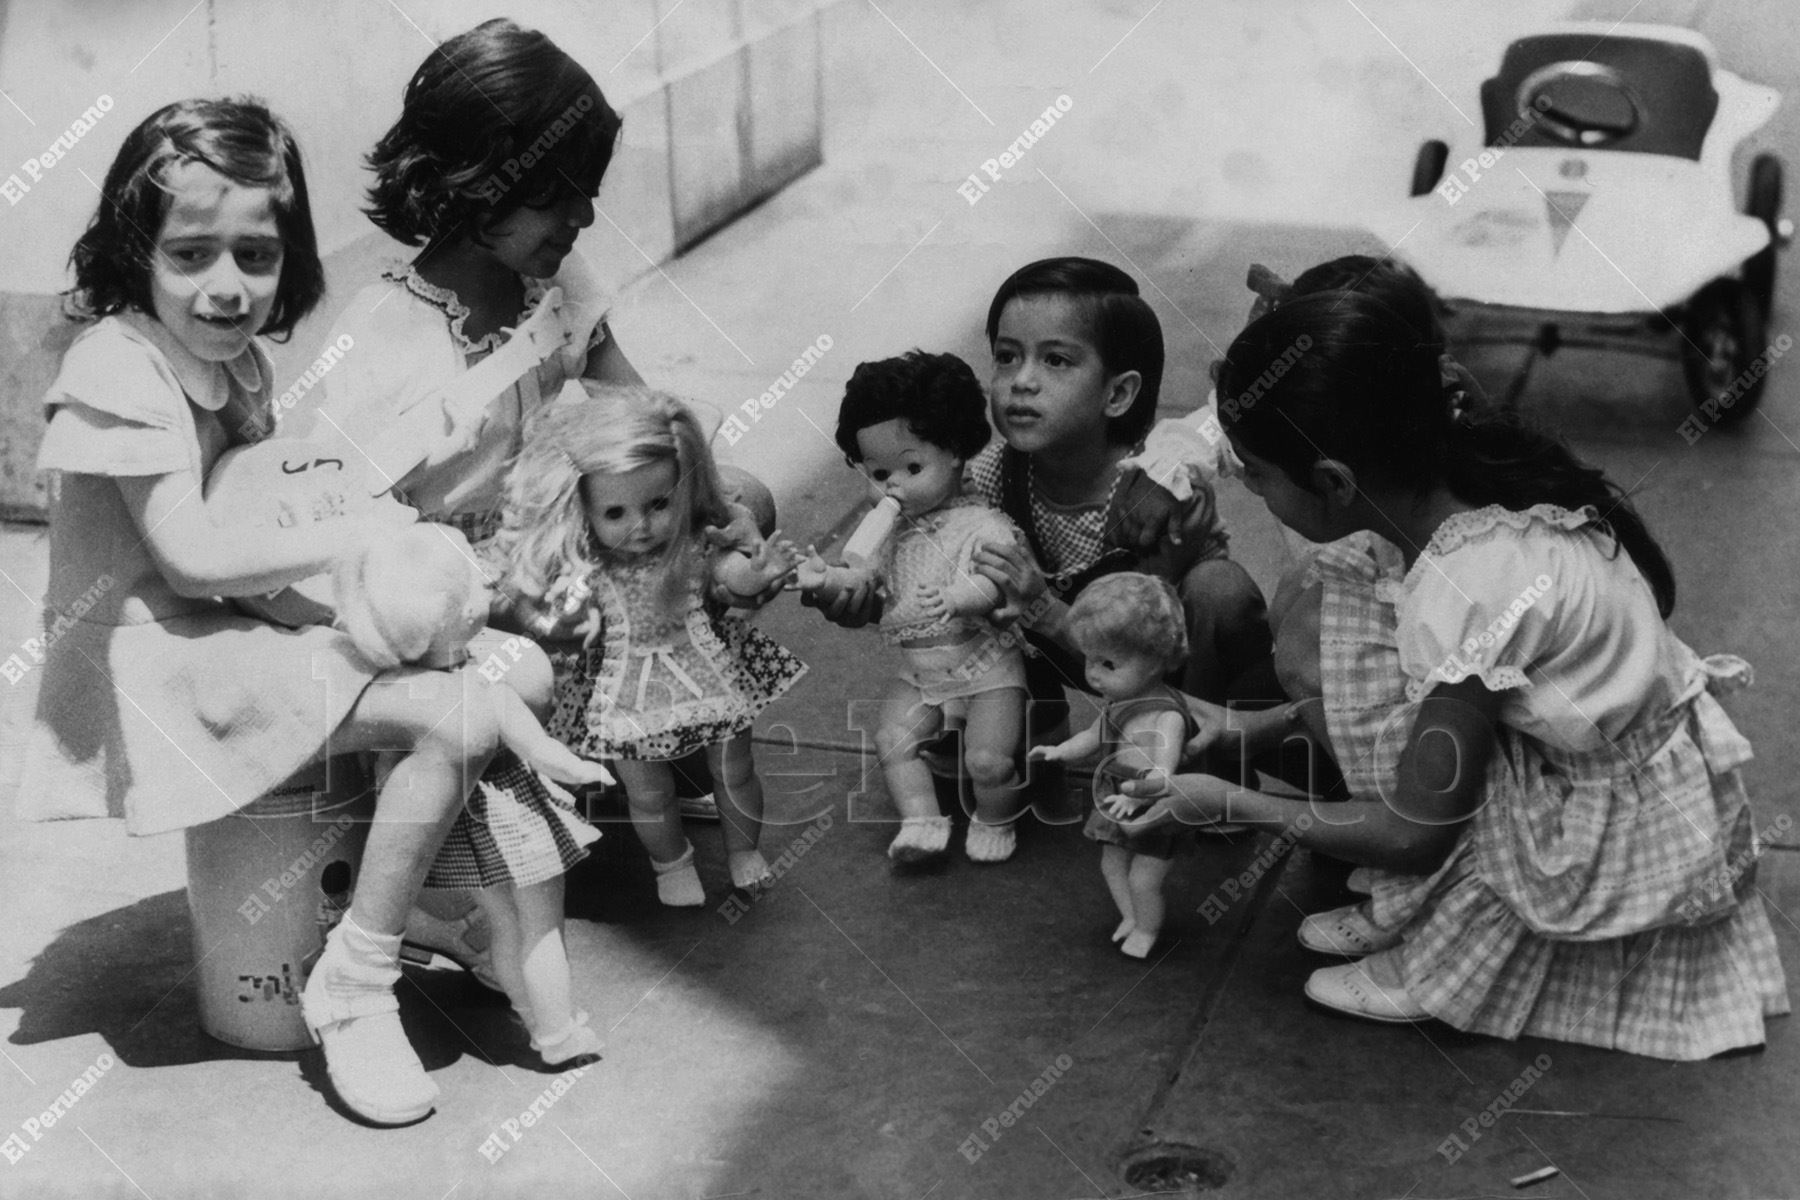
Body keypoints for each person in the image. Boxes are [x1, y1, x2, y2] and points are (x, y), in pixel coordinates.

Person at [2, 97, 537, 1126]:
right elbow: (196, 557)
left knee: (493, 667)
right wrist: (354, 548)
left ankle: (413, 897)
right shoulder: (118, 367)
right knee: (453, 717)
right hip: (154, 662)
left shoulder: (233, 361)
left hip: (223, 630)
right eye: (192, 253)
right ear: (135, 250)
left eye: (256, 255)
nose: (226, 286)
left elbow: (258, 519)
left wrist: (374, 564)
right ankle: (358, 978)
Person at [1122, 289, 1789, 1060]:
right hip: (1586, 755)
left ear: (1335, 481)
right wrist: (1254, 725)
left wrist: (1227, 802)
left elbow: (1415, 832)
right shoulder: (1470, 486)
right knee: (1349, 596)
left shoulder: (1465, 590)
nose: (1253, 490)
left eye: (1260, 475)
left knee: (1349, 620)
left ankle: (1444, 961)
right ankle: (1419, 912)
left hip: (1600, 820)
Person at [495, 386, 805, 906]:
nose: (640, 526)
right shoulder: (589, 569)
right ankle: (671, 863)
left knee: (736, 770)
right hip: (625, 691)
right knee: (648, 792)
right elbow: (548, 611)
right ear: (583, 512)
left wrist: (756, 571)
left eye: (659, 504)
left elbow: (731, 578)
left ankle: (743, 852)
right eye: (615, 513)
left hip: (711, 670)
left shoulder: (695, 542)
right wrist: (556, 614)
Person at [963, 257, 1272, 746]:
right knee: (980, 570)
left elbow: (1152, 628)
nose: (1021, 381)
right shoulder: (991, 475)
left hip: (1164, 658)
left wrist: (1042, 605)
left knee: (1218, 588)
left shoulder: (1154, 485)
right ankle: (1018, 740)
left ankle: (1195, 763)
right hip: (1068, 644)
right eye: (1006, 356)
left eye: (1055, 360)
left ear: (1119, 393)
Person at [334, 524, 607, 1067]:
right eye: (480, 588)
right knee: (541, 930)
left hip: (463, 835)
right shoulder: (482, 681)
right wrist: (580, 771)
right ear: (462, 618)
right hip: (516, 824)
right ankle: (556, 1031)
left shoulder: (401, 690)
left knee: (505, 926)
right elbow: (542, 751)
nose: (489, 592)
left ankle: (541, 1024)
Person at [799, 351, 1029, 863]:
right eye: (879, 471)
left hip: (986, 665)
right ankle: (922, 820)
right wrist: (825, 580)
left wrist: (958, 596)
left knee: (989, 761)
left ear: (954, 452)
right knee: (892, 740)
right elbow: (861, 575)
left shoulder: (981, 522)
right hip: (921, 670)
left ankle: (996, 817)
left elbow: (994, 582)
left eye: (911, 466)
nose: (893, 484)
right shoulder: (891, 533)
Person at [1030, 574, 1202, 958]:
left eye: (1108, 663)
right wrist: (1058, 751)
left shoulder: (1167, 716)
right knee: (1112, 865)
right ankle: (1130, 917)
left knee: (1144, 878)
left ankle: (1146, 929)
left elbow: (1164, 774)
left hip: (1152, 808)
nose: (1092, 673)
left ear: (1158, 660)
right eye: (1089, 659)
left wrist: (1136, 795)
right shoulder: (1116, 706)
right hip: (1117, 799)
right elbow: (1091, 738)